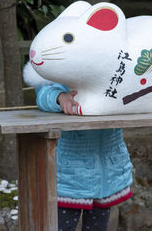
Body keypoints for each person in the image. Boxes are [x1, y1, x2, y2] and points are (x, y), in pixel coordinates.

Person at [35, 83, 133, 231]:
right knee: (62, 225)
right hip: (71, 173)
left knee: (98, 226)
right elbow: (43, 91)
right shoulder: (60, 64)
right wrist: (59, 97)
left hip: (105, 169)